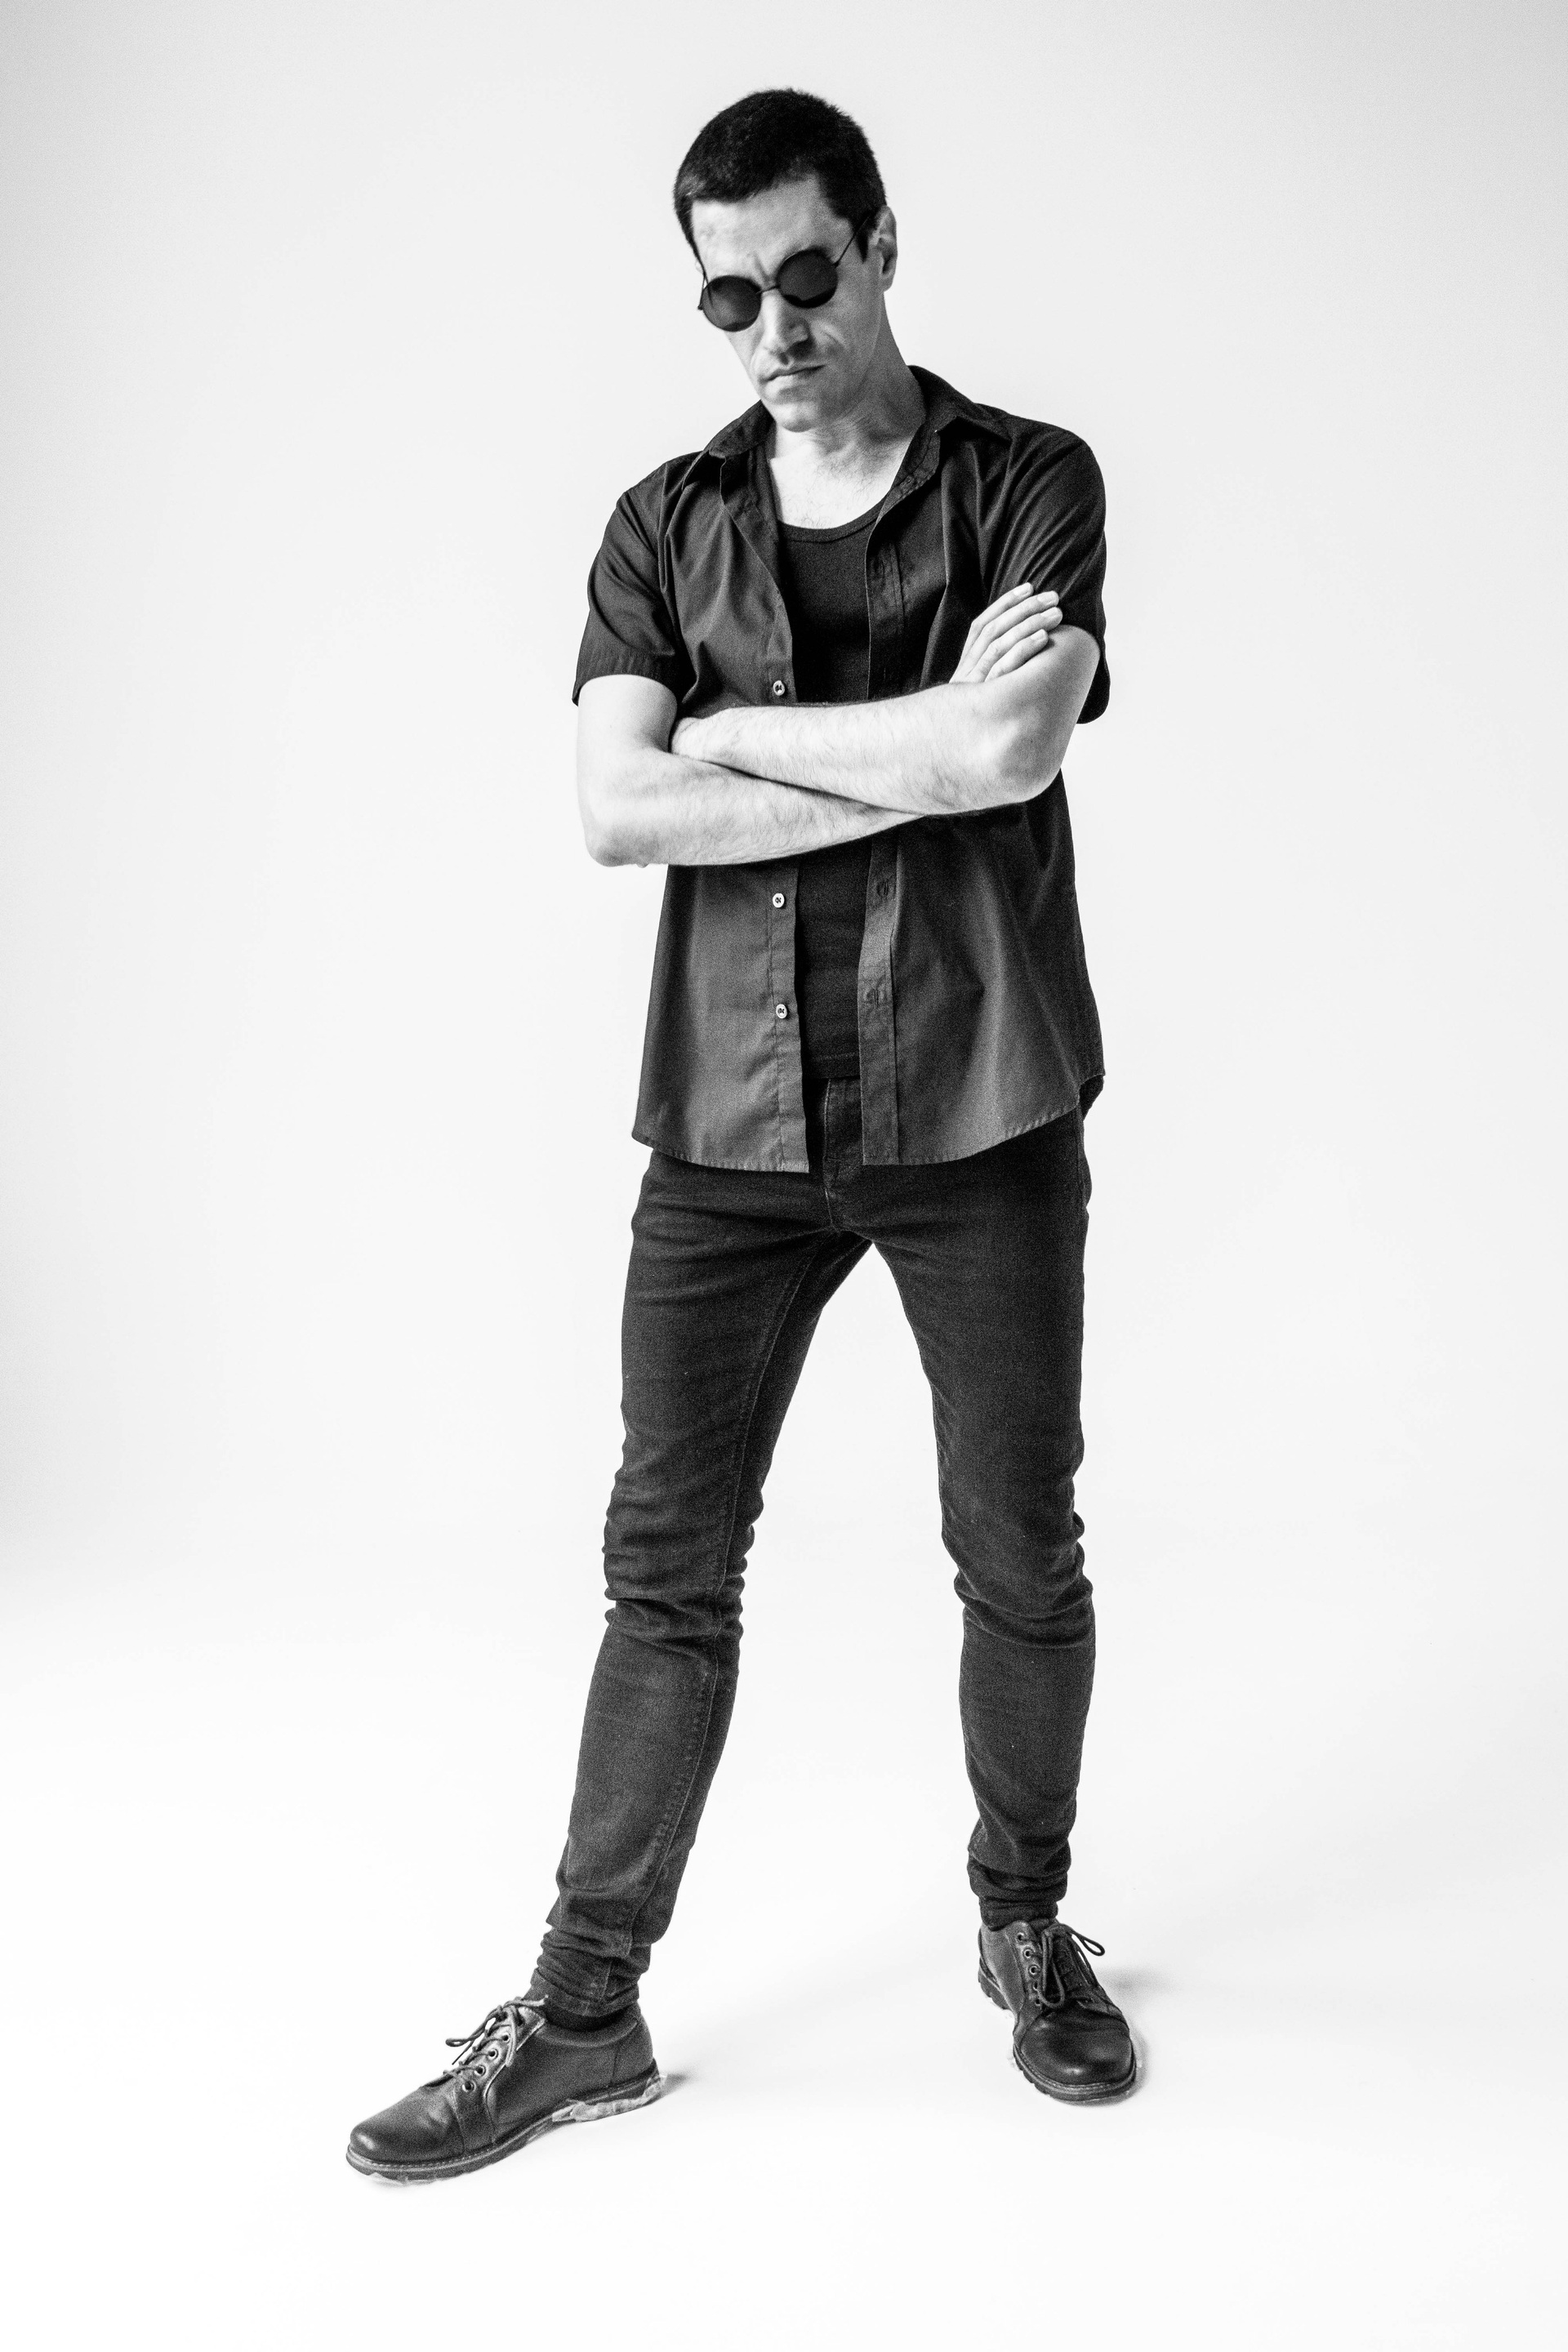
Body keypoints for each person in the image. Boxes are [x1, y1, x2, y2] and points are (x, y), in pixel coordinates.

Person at [347, 86, 1136, 2183]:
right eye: (727, 295)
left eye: (804, 275)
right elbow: (619, 808)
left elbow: (1011, 744)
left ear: (879, 249)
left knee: (1018, 1550)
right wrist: (915, 751)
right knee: (665, 1569)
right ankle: (582, 2011)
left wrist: (744, 735)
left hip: (981, 1099)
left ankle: (1024, 1923)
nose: (772, 329)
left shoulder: (1031, 482)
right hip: (731, 1114)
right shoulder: (661, 522)